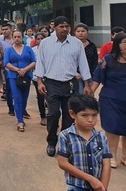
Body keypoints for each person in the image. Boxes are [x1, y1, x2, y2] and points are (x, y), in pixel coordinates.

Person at [35, 16, 92, 157]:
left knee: (69, 116)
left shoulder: (76, 43)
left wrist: (86, 84)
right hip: (51, 83)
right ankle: (51, 141)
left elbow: (83, 64)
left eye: (67, 26)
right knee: (53, 114)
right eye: (61, 26)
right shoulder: (46, 43)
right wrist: (40, 82)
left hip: (70, 84)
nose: (65, 29)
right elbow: (40, 63)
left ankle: (64, 143)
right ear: (54, 27)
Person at [57, 95, 111, 191]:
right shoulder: (66, 136)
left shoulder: (101, 137)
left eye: (94, 115)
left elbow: (106, 164)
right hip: (77, 190)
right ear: (72, 114)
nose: (90, 120)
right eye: (84, 115)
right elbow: (63, 163)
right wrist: (90, 178)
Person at [90, 33, 126, 169]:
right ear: (117, 44)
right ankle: (111, 155)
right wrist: (90, 93)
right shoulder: (107, 60)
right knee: (113, 127)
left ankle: (125, 156)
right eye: (124, 42)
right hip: (111, 100)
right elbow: (98, 78)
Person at [4, 30, 36, 132]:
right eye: (15, 37)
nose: (17, 39)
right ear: (12, 38)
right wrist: (17, 70)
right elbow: (6, 63)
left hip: (26, 76)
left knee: (24, 98)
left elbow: (34, 61)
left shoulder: (28, 49)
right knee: (17, 97)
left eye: (19, 36)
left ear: (22, 38)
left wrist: (25, 70)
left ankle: (21, 115)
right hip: (14, 76)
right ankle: (20, 121)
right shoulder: (9, 50)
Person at [74, 23, 98, 94]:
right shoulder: (71, 45)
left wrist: (93, 76)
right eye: (78, 31)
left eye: (83, 31)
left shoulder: (92, 46)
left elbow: (95, 62)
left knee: (88, 95)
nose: (80, 33)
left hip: (89, 75)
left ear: (87, 33)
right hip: (75, 75)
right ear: (74, 33)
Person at [0, 23, 15, 116]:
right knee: (9, 88)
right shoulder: (0, 41)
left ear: (11, 29)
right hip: (6, 68)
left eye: (6, 29)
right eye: (3, 30)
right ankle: (11, 107)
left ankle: (21, 108)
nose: (4, 31)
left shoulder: (16, 39)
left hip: (18, 67)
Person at [31, 33, 47, 126]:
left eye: (42, 38)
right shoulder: (33, 50)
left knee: (49, 98)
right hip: (36, 76)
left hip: (49, 77)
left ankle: (52, 117)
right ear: (35, 40)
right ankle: (43, 116)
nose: (40, 40)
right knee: (40, 97)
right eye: (38, 39)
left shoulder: (50, 49)